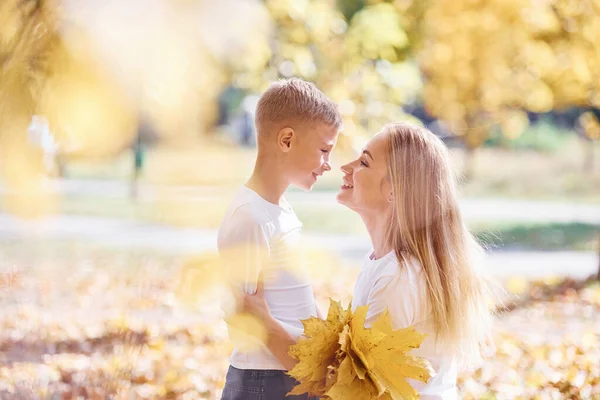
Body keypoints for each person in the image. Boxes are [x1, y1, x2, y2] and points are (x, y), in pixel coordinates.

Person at [240, 122, 494, 399]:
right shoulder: (384, 262)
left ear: (395, 190)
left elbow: (350, 390)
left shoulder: (396, 277)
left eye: (364, 162)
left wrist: (263, 324)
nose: (346, 167)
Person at [217, 78, 343, 400]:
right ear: (286, 140)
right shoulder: (250, 216)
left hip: (293, 372)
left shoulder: (280, 210)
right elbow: (245, 315)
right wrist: (313, 371)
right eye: (324, 150)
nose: (328, 163)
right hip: (266, 380)